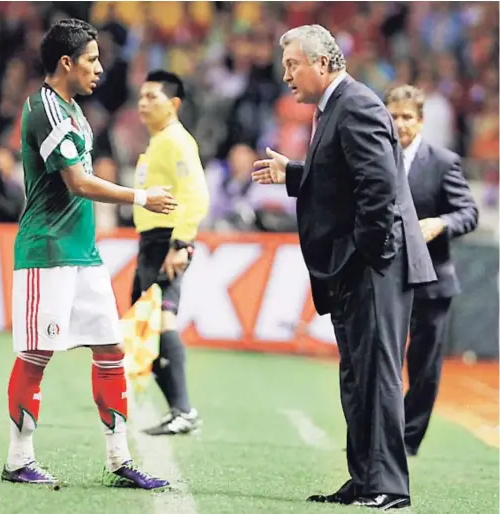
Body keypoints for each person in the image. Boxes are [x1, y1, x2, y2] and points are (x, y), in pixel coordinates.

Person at [251, 25, 436, 510]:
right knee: (358, 378)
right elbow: (342, 177)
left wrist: (366, 257)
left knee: (377, 377)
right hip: (361, 267)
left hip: (376, 267)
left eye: (293, 63)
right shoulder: (336, 106)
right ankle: (365, 478)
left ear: (323, 63)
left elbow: (379, 191)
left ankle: (389, 487)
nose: (286, 73)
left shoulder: (355, 104)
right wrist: (294, 173)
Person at [2, 19, 177, 488]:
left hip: (83, 253)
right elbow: (77, 182)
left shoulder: (74, 110)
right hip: (47, 252)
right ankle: (18, 460)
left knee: (111, 349)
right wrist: (141, 198)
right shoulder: (46, 110)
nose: (100, 68)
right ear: (66, 63)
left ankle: (120, 459)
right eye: (92, 60)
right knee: (36, 355)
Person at [384, 85, 479, 457]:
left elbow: (468, 213)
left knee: (423, 368)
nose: (400, 123)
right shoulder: (375, 157)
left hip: (433, 280)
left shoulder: (442, 161)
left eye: (407, 116)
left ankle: (408, 442)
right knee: (383, 358)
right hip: (386, 277)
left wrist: (440, 223)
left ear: (421, 121)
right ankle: (381, 433)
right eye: (394, 115)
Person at [131, 70, 210, 436]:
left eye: (153, 97)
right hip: (152, 242)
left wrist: (181, 243)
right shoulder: (159, 141)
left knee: (161, 322)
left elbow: (195, 193)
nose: (144, 103)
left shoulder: (177, 141)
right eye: (142, 96)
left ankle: (183, 410)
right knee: (145, 326)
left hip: (167, 241)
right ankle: (180, 409)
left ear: (174, 104)